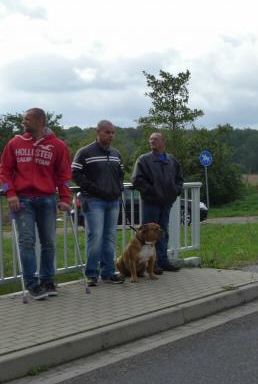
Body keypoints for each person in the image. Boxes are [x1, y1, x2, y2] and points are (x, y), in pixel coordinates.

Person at [0, 108, 72, 300]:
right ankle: (32, 284)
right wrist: (10, 193)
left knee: (49, 242)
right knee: (27, 242)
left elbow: (64, 175)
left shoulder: (58, 146)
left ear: (40, 121)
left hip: (47, 199)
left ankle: (48, 280)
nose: (23, 122)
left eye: (27, 119)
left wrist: (65, 199)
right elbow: (4, 171)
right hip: (22, 200)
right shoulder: (14, 143)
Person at [72, 120, 125, 286]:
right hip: (93, 201)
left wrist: (118, 188)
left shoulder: (116, 153)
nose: (111, 135)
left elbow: (121, 173)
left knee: (110, 238)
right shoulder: (85, 152)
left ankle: (108, 272)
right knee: (95, 237)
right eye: (107, 132)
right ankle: (91, 274)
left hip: (113, 201)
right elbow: (75, 173)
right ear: (98, 132)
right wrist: (93, 189)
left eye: (113, 132)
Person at [131, 131, 184, 274]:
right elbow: (136, 179)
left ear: (163, 141)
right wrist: (151, 191)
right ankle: (149, 265)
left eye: (155, 139)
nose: (151, 141)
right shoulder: (143, 160)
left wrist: (176, 190)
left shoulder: (172, 160)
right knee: (147, 235)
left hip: (166, 203)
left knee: (162, 232)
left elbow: (179, 178)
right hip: (151, 203)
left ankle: (163, 261)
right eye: (150, 139)